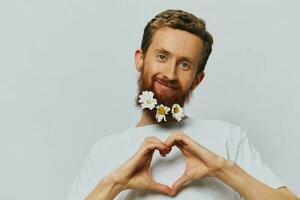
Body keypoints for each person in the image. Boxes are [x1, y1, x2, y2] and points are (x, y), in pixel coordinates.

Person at [67, 9, 299, 200]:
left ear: (198, 80)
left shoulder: (228, 138)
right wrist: (116, 182)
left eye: (185, 64)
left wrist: (221, 169)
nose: (170, 73)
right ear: (140, 58)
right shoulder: (103, 152)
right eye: (162, 56)